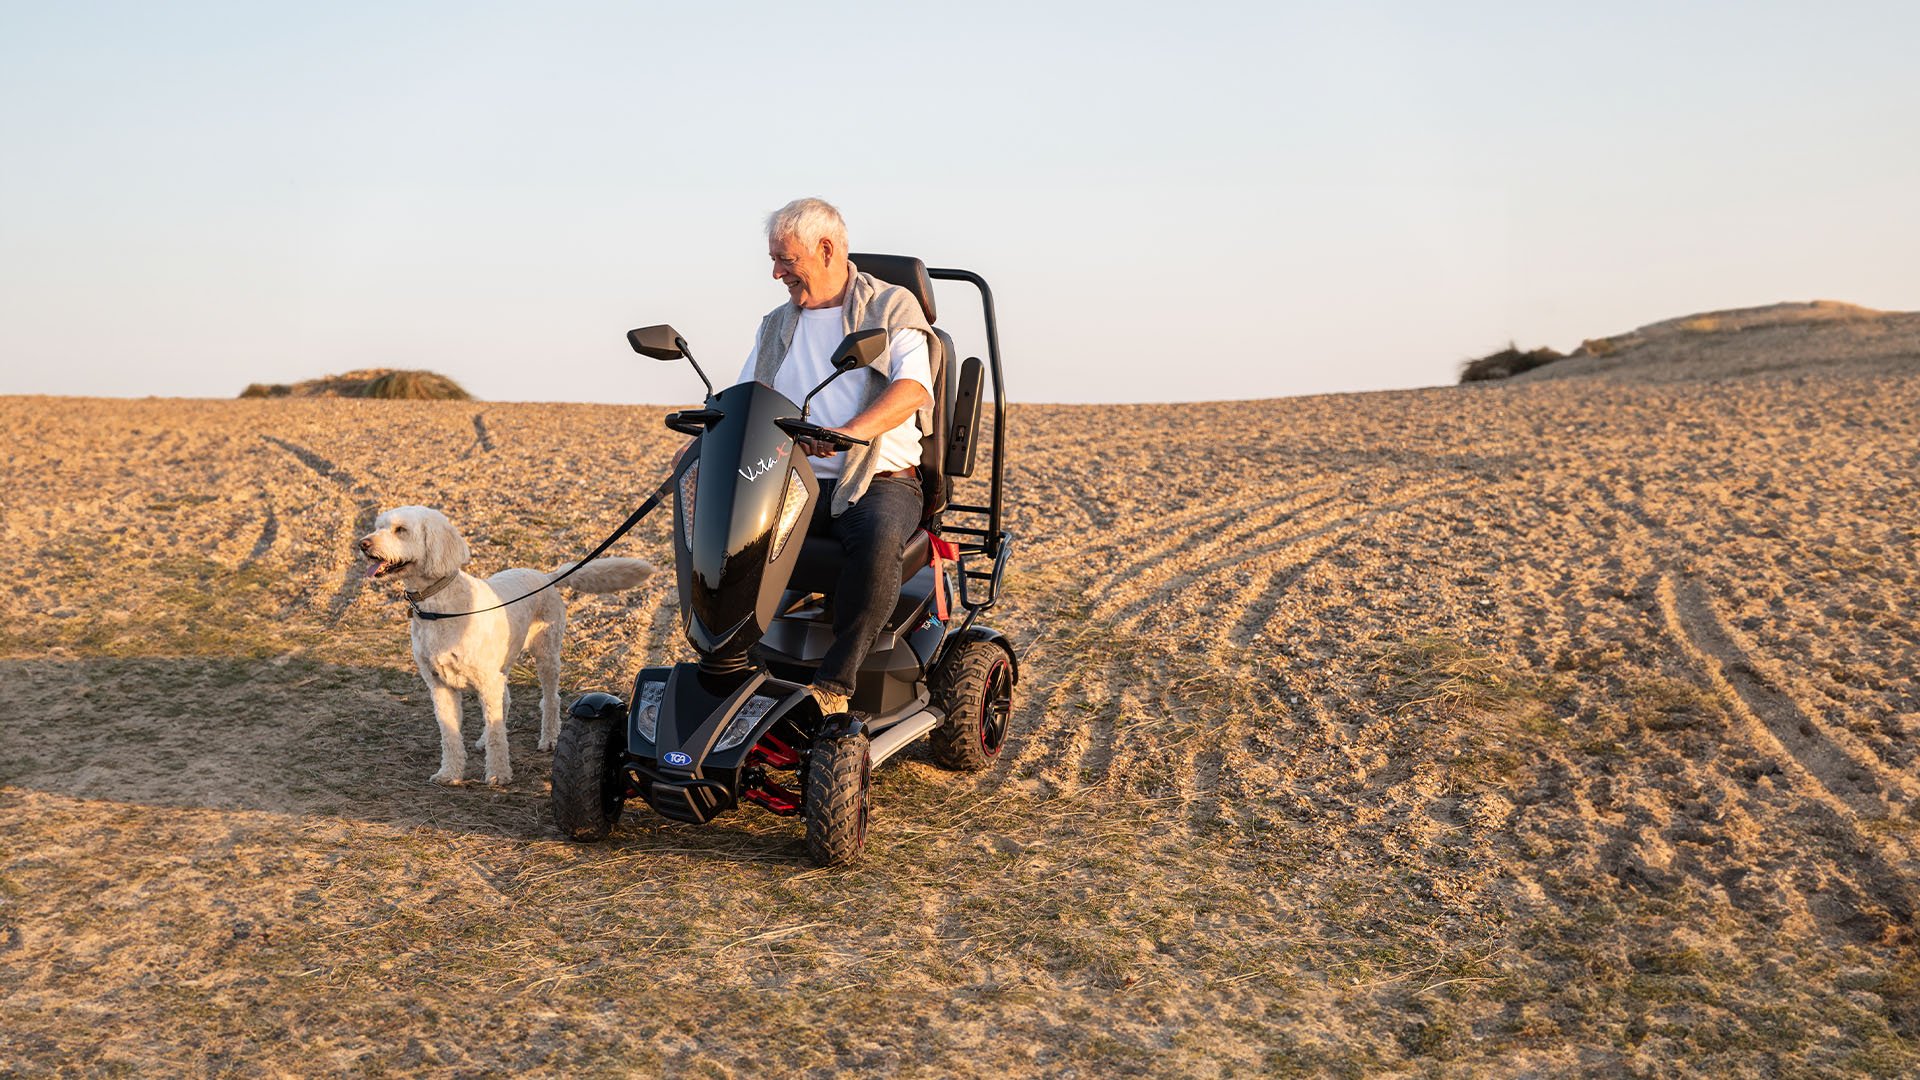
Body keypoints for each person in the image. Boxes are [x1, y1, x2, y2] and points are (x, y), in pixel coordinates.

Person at [739, 197, 935, 717]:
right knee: (730, 536)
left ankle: (833, 687)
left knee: (874, 542)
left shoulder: (891, 309)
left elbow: (913, 388)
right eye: (775, 260)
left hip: (879, 482)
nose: (777, 272)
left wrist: (849, 433)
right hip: (793, 478)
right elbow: (748, 394)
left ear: (825, 249)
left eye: (786, 260)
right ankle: (738, 668)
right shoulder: (776, 324)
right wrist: (700, 440)